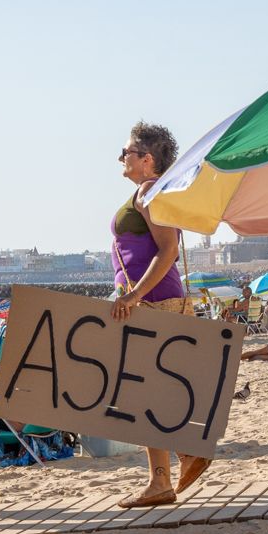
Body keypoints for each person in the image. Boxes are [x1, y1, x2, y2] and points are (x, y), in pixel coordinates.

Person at [107, 121, 210, 508]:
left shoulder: (150, 191)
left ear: (146, 159)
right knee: (145, 391)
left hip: (154, 300)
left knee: (140, 393)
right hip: (149, 299)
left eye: (127, 152)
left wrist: (133, 294)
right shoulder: (146, 192)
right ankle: (176, 464)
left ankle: (164, 477)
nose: (121, 158)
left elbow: (167, 250)